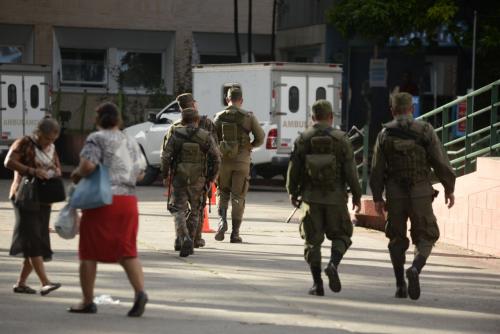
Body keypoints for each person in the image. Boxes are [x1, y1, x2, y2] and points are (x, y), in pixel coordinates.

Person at [370, 92, 456, 300]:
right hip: (420, 192)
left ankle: (400, 285)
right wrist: (449, 187)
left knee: (396, 238)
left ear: (392, 110)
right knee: (426, 235)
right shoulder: (425, 130)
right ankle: (416, 268)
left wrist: (377, 197)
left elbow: (377, 170)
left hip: (395, 193)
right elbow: (440, 161)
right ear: (411, 109)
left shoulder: (385, 134)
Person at [69, 102, 148, 316]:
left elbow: (88, 166)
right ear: (118, 120)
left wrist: (76, 174)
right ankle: (140, 292)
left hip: (103, 201)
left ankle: (87, 301)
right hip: (128, 202)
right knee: (127, 250)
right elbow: (140, 173)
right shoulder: (130, 140)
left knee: (88, 251)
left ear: (98, 120)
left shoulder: (97, 138)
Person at [287, 100, 361, 296]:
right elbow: (351, 171)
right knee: (343, 235)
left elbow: (294, 170)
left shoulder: (303, 139)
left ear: (313, 118)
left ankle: (317, 284)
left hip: (311, 199)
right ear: (331, 117)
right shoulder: (342, 139)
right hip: (336, 198)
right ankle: (333, 264)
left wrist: (292, 192)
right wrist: (357, 195)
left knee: (312, 241)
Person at [4, 116, 62, 296]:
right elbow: (8, 162)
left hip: (43, 199)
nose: (49, 142)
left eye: (53, 139)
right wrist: (32, 171)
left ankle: (21, 283)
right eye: (46, 138)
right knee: (33, 239)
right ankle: (45, 282)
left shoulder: (51, 148)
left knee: (39, 239)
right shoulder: (24, 143)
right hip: (24, 196)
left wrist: (54, 172)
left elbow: (57, 167)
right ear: (38, 133)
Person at [161, 107, 220, 257]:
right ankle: (190, 240)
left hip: (179, 177)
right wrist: (211, 178)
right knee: (195, 210)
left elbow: (166, 156)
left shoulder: (176, 134)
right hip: (198, 179)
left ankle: (183, 237)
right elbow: (217, 159)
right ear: (197, 120)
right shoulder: (205, 136)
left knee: (178, 210)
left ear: (182, 119)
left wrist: (165, 174)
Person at [213, 87, 264, 243]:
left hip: (223, 161)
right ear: (241, 100)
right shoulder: (248, 117)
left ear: (227, 100)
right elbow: (260, 137)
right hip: (242, 161)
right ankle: (235, 233)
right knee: (238, 196)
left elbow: (212, 138)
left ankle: (222, 221)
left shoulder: (218, 117)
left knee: (222, 193)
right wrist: (250, 146)